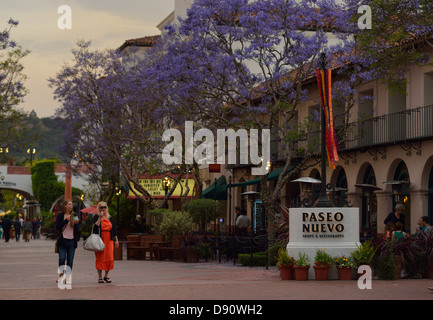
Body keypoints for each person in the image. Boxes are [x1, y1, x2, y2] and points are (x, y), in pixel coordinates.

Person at [93, 201, 119, 284]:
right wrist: (99, 219)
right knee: (100, 258)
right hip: (100, 240)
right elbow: (95, 228)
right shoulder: (96, 217)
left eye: (104, 207)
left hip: (109, 240)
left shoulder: (110, 217)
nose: (103, 209)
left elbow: (114, 229)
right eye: (101, 207)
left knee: (109, 257)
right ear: (98, 208)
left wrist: (116, 240)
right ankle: (100, 277)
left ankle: (106, 275)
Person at [56, 200, 80, 285]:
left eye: (72, 204)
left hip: (72, 241)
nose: (71, 206)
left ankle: (67, 277)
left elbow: (77, 228)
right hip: (62, 241)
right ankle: (61, 275)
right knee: (62, 258)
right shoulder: (60, 215)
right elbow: (58, 227)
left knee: (70, 261)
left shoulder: (75, 215)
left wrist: (76, 223)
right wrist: (66, 221)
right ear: (65, 205)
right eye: (69, 204)